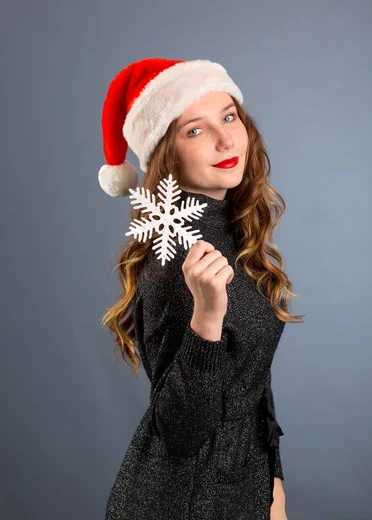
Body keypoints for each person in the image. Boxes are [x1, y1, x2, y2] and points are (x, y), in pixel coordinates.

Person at [98, 57, 304, 519]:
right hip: (186, 502)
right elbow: (180, 431)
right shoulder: (177, 263)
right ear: (165, 155)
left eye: (229, 117)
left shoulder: (232, 229)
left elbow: (250, 375)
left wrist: (272, 483)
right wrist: (206, 319)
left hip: (243, 487)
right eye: (195, 130)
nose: (225, 138)